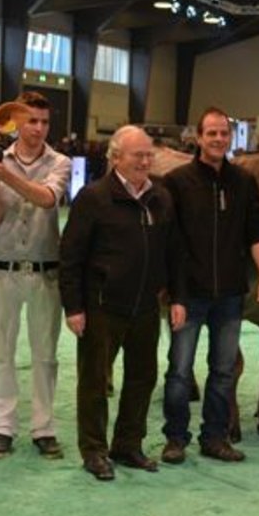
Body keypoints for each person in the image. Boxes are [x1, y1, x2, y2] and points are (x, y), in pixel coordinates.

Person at [59, 124, 174, 482]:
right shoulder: (93, 198)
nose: (145, 161)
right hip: (101, 307)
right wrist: (73, 307)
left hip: (145, 309)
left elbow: (173, 254)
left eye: (148, 154)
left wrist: (175, 297)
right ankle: (94, 450)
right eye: (137, 155)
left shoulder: (161, 198)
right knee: (94, 382)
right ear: (116, 158)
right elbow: (70, 256)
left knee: (142, 378)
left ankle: (128, 445)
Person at [161, 108, 259, 465]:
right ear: (198, 137)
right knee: (180, 371)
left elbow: (256, 232)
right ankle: (175, 439)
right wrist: (171, 291)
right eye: (211, 133)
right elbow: (169, 240)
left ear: (230, 137)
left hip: (229, 294)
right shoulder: (177, 181)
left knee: (224, 371)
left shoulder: (243, 182)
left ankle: (215, 437)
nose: (218, 139)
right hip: (189, 294)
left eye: (223, 133)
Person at [0, 91, 71, 461]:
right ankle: (2, 427)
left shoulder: (60, 162)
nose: (38, 128)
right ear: (16, 121)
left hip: (45, 271)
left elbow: (49, 199)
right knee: (1, 352)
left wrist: (8, 179)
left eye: (44, 122)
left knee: (45, 355)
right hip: (2, 269)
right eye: (31, 120)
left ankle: (43, 428)